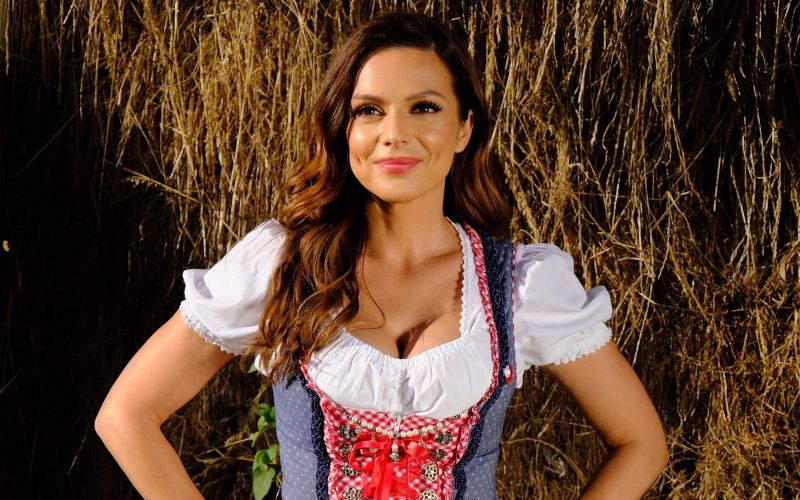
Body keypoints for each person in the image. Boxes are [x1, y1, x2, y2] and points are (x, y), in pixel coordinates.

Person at [95, 12, 668, 500]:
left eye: (424, 108)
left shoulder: (519, 285)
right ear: (343, 128)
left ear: (464, 128)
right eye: (369, 110)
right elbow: (126, 416)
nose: (394, 133)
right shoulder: (282, 265)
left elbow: (641, 443)